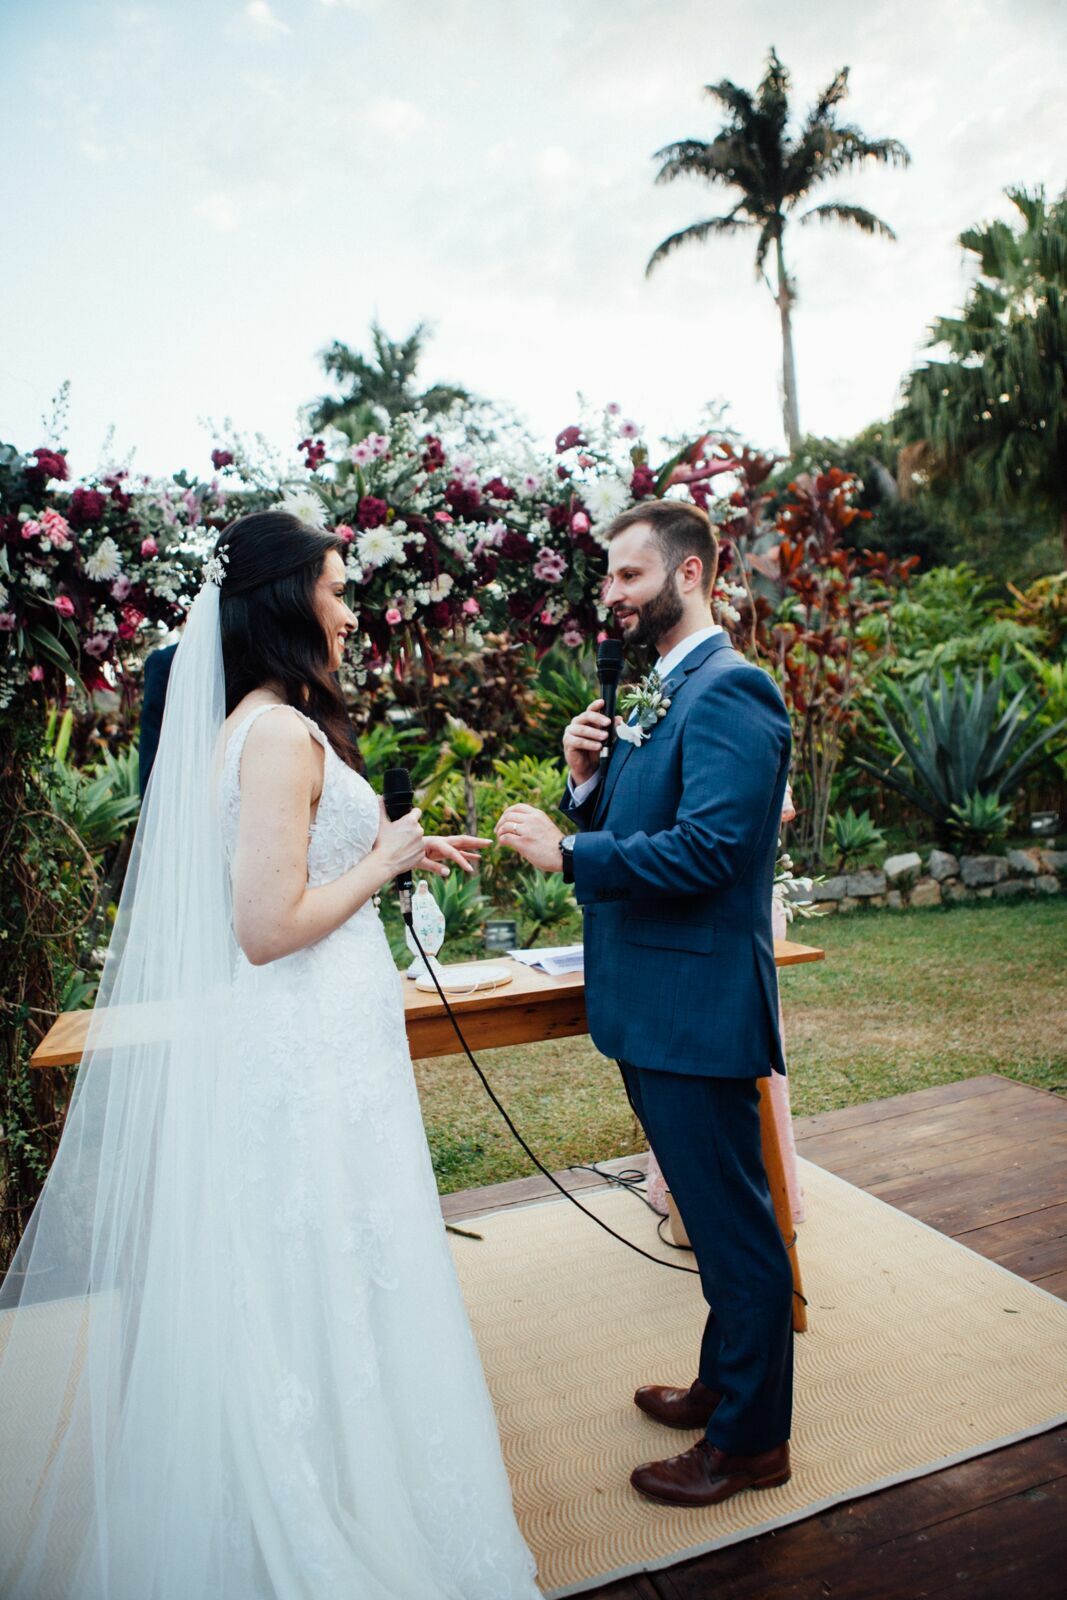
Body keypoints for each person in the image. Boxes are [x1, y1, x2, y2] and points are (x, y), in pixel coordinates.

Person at [0, 511, 541, 1599]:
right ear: (289, 602)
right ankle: (326, 1506)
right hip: (306, 1047)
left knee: (331, 1261)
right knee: (330, 1261)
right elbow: (265, 926)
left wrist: (388, 848)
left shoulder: (248, 724)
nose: (350, 611)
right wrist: (383, 859)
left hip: (318, 1044)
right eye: (337, 589)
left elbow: (293, 872)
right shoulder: (283, 735)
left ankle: (349, 1463)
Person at [496, 499, 794, 1509]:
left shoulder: (732, 690)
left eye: (627, 575)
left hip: (696, 1003)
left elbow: (711, 851)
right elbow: (647, 818)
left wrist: (567, 847)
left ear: (691, 575)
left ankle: (750, 1442)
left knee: (733, 1225)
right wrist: (586, 785)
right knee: (710, 1217)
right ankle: (724, 1382)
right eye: (606, 579)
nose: (609, 595)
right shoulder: (657, 692)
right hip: (652, 1001)